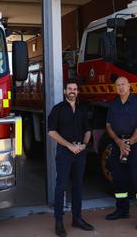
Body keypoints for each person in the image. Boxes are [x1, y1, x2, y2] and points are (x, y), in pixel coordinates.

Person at [104, 76, 137, 230]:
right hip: (118, 145)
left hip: (135, 147)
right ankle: (122, 210)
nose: (120, 87)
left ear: (129, 86)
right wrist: (119, 142)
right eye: (118, 85)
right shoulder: (113, 105)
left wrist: (128, 143)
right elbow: (109, 126)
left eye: (123, 84)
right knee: (118, 180)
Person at [47, 79, 94, 237]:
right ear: (65, 91)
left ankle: (77, 218)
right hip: (65, 153)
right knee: (61, 186)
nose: (72, 91)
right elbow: (51, 132)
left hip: (80, 152)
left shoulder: (82, 110)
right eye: (69, 88)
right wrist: (69, 145)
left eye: (75, 88)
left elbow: (88, 130)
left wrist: (84, 145)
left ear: (78, 92)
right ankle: (58, 222)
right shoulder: (57, 109)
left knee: (78, 186)